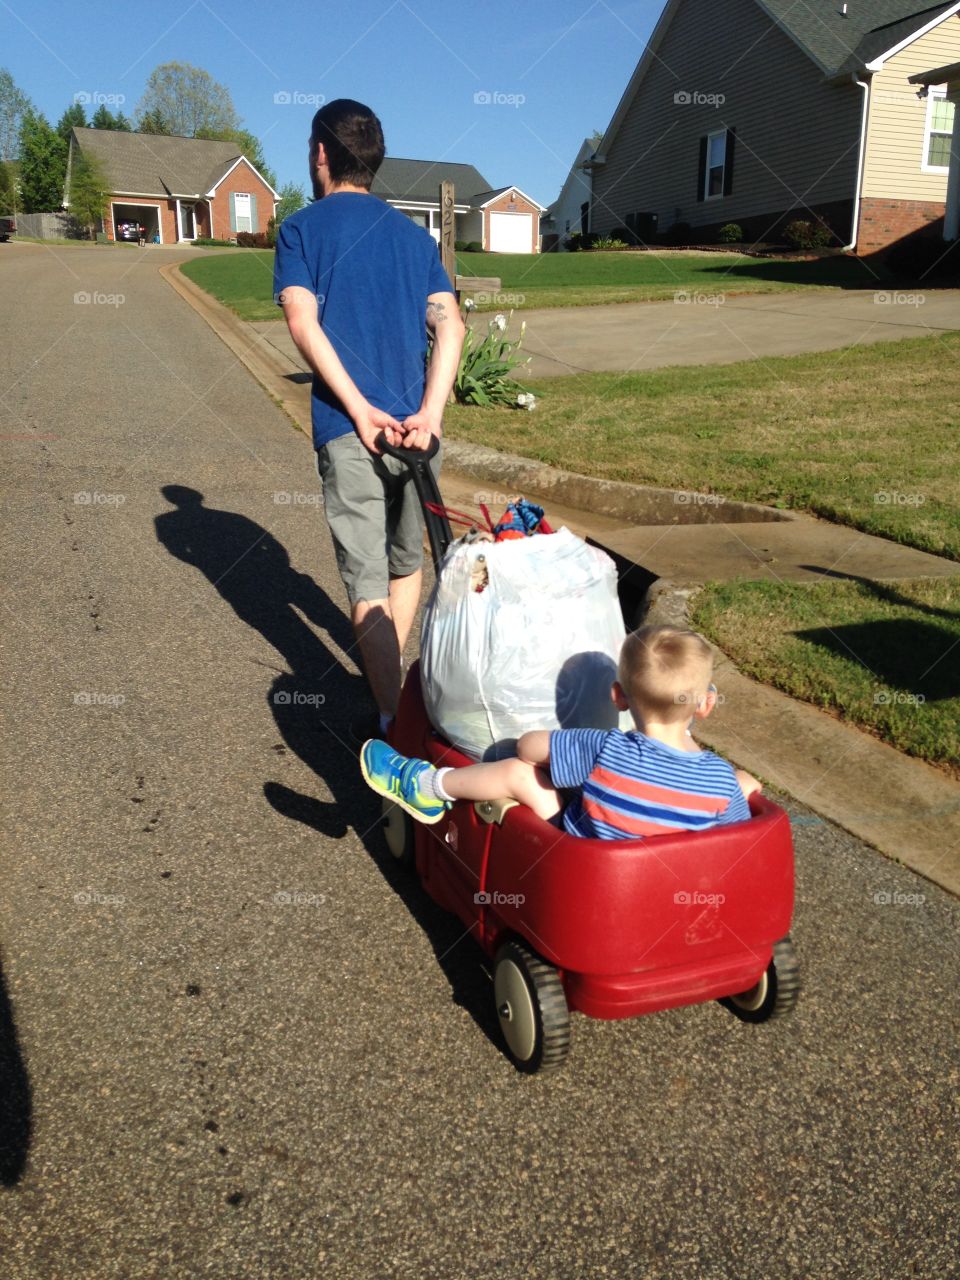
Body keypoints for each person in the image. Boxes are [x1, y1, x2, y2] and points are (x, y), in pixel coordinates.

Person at [274, 99, 464, 741]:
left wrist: (358, 411)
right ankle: (395, 685)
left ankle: (391, 722)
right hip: (418, 436)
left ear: (321, 154)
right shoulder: (415, 238)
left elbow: (303, 322)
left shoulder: (301, 230)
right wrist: (430, 416)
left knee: (365, 580)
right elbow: (451, 325)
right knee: (406, 564)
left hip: (350, 431)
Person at [360, 625, 761, 834]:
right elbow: (733, 833)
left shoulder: (603, 748)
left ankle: (427, 786)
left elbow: (531, 749)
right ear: (707, 704)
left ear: (618, 697)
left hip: (584, 859)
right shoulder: (720, 781)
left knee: (518, 772)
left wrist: (541, 740)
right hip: (661, 889)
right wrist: (738, 784)